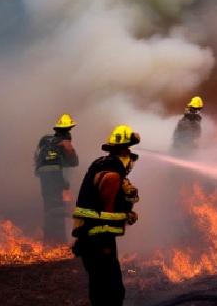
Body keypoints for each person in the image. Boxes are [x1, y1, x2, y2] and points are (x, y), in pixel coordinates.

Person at [72, 125, 141, 306]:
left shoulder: (100, 166)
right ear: (122, 151)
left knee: (100, 288)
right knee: (111, 291)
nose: (131, 158)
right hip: (99, 240)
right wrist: (125, 217)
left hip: (91, 237)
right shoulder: (112, 175)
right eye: (129, 152)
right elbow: (105, 214)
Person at [33, 114, 79, 244]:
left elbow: (37, 159)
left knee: (49, 206)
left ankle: (49, 239)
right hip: (55, 175)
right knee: (58, 206)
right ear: (68, 128)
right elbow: (72, 160)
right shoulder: (65, 140)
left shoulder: (47, 141)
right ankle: (58, 240)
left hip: (44, 175)